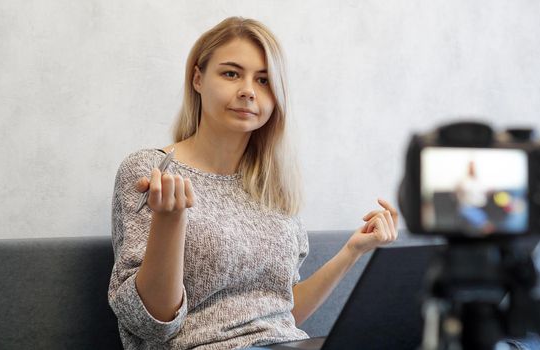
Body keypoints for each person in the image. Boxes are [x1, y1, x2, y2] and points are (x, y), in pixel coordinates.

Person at [108, 17, 398, 350]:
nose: (248, 90)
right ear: (198, 79)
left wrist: (351, 252)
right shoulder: (149, 171)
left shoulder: (271, 187)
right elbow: (149, 326)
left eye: (263, 80)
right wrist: (169, 221)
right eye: (231, 73)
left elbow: (281, 314)